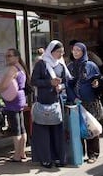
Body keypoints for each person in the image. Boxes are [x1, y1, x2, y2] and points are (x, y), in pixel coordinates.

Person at [30, 40, 72, 168]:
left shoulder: (61, 65)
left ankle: (59, 157)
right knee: (43, 132)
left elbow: (67, 81)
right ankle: (45, 158)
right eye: (58, 51)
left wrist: (61, 86)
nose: (60, 54)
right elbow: (34, 81)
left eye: (62, 52)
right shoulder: (41, 64)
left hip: (56, 101)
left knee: (57, 131)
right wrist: (50, 83)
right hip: (43, 101)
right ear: (51, 52)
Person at [67, 42, 103, 164]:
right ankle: (80, 153)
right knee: (79, 129)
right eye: (74, 50)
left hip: (90, 102)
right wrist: (74, 98)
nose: (76, 52)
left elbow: (98, 79)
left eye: (78, 50)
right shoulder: (70, 66)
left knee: (91, 128)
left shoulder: (91, 66)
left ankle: (93, 154)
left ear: (83, 52)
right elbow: (68, 85)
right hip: (76, 103)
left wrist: (96, 84)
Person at [0, 48, 28, 162]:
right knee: (22, 127)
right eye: (6, 56)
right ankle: (22, 152)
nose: (7, 58)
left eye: (9, 56)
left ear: (16, 57)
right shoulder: (21, 68)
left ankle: (16, 155)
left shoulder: (12, 69)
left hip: (12, 100)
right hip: (20, 97)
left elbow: (4, 85)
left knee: (16, 129)